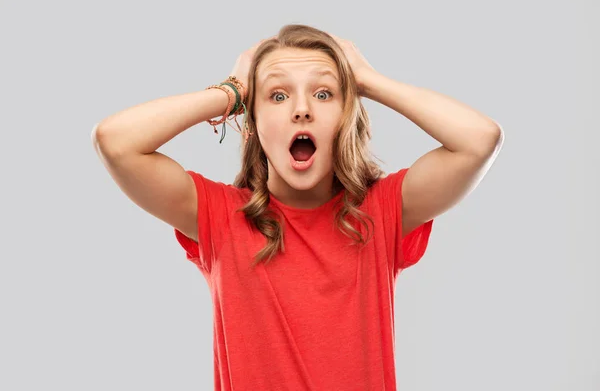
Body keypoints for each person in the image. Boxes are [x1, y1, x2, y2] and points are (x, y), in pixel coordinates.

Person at [92, 24, 503, 390]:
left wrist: (367, 81)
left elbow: (479, 140)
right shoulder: (221, 218)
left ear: (345, 117)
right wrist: (233, 89)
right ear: (252, 123)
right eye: (277, 95)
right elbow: (116, 141)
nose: (301, 108)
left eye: (323, 93)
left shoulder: (381, 212)